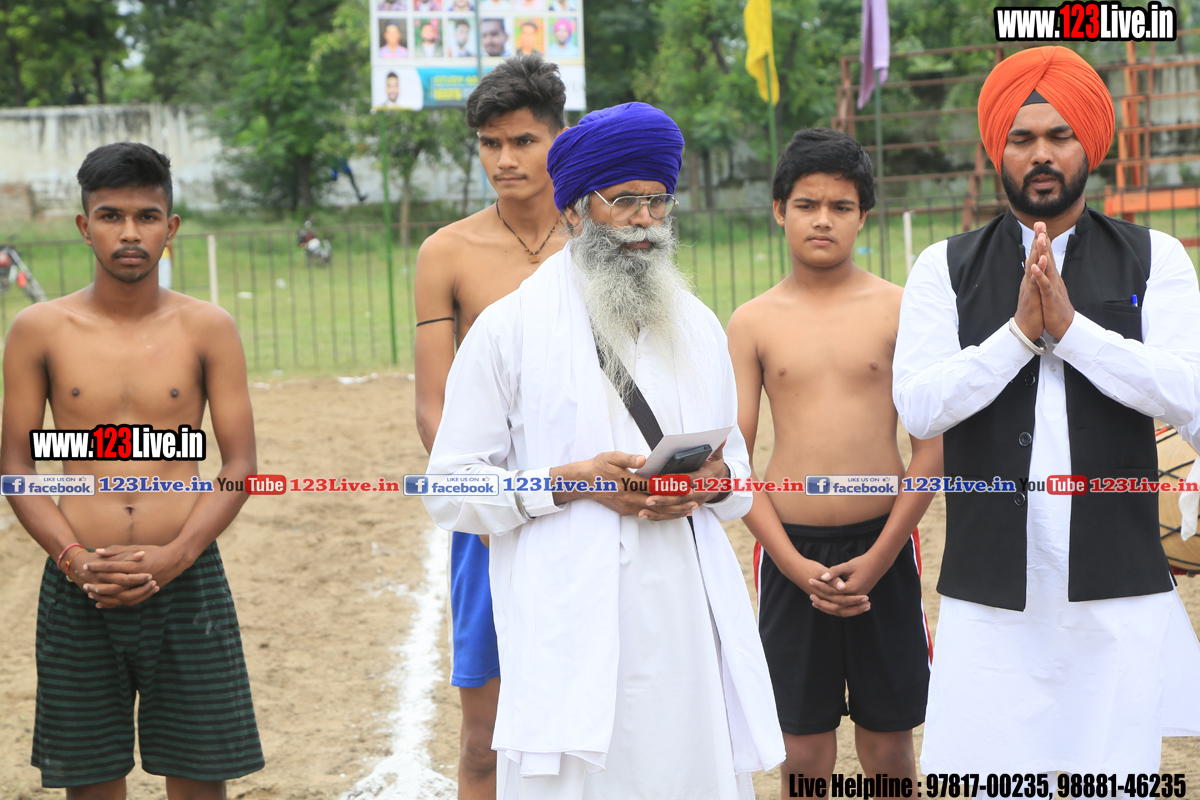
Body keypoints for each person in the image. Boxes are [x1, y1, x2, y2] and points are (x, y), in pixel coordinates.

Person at [423, 100, 784, 800]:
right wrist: (571, 480)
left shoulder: (698, 326)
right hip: (567, 623)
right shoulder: (509, 329)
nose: (645, 220)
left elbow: (737, 472)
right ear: (574, 210)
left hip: (682, 622)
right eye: (624, 202)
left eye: (657, 201)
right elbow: (449, 489)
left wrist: (707, 482)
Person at [894, 46, 1200, 779]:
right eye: (1022, 138)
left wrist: (1073, 331)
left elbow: (1187, 393)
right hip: (992, 590)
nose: (1041, 154)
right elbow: (920, 407)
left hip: (1117, 582)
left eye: (1059, 136)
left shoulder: (1156, 257)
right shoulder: (944, 267)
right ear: (996, 150)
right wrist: (1018, 337)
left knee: (1115, 779)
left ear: (1088, 144)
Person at [1, 142, 261, 798]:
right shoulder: (39, 329)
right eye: (110, 216)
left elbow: (239, 464)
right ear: (84, 226)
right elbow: (16, 465)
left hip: (188, 578)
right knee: (89, 780)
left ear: (170, 228)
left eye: (146, 216)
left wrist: (178, 554)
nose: (129, 233)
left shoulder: (207, 327)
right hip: (79, 584)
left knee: (200, 776)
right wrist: (72, 559)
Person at [728, 127, 939, 799]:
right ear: (778, 210)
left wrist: (880, 557)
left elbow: (930, 451)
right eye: (807, 204)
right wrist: (793, 565)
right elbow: (734, 461)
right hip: (790, 555)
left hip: (885, 550)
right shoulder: (752, 321)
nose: (823, 219)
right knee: (803, 754)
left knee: (890, 749)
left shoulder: (901, 308)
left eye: (841, 206)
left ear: (863, 215)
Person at [415, 54, 569, 800]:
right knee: (484, 742)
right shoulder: (446, 252)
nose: (505, 159)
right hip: (489, 517)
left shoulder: (598, 238)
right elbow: (433, 405)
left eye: (523, 141)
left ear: (559, 139)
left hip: (586, 501)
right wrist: (488, 500)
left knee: (586, 726)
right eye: (490, 143)